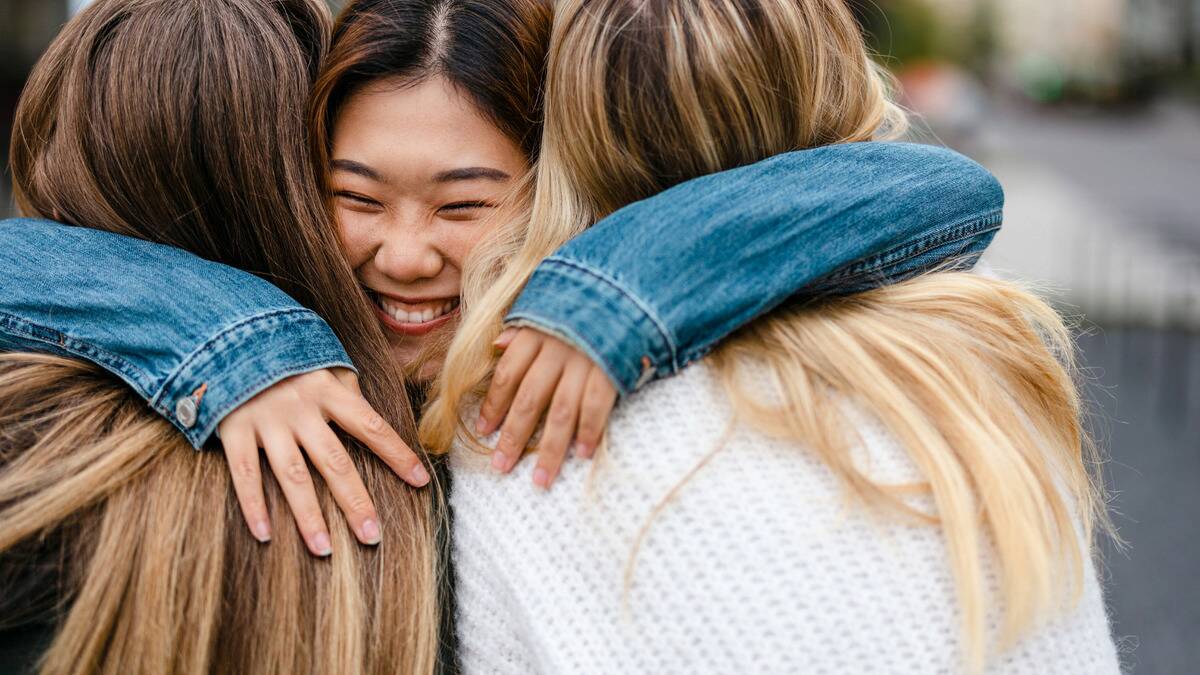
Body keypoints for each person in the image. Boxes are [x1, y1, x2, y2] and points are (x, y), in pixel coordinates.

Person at [1, 0, 1007, 672]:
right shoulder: (278, 380)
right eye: (355, 197)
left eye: (464, 202)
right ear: (294, 193)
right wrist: (225, 343)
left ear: (552, 193)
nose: (403, 253)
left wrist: (617, 290)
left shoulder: (537, 391)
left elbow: (948, 190)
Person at [413, 0, 1121, 672]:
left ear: (568, 141)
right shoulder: (972, 344)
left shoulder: (523, 406)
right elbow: (945, 188)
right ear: (839, 83)